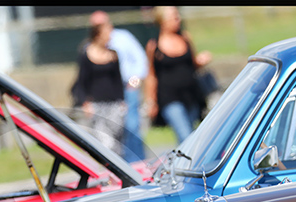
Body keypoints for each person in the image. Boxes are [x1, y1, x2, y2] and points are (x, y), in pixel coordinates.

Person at [144, 6, 212, 144]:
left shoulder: (185, 38)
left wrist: (201, 61)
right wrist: (151, 102)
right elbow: (151, 76)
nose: (177, 19)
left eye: (177, 16)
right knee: (186, 135)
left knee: (192, 135)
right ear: (162, 21)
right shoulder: (153, 46)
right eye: (173, 17)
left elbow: (193, 63)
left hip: (191, 94)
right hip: (169, 97)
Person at [89, 10, 148, 163]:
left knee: (132, 127)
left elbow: (140, 61)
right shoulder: (91, 47)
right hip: (109, 95)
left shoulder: (123, 38)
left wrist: (133, 83)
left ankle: (138, 162)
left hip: (127, 88)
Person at [73, 22, 126, 156]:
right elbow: (81, 81)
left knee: (117, 143)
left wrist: (122, 101)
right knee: (105, 144)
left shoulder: (113, 55)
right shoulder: (87, 55)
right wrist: (85, 103)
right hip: (97, 105)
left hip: (113, 104)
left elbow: (118, 81)